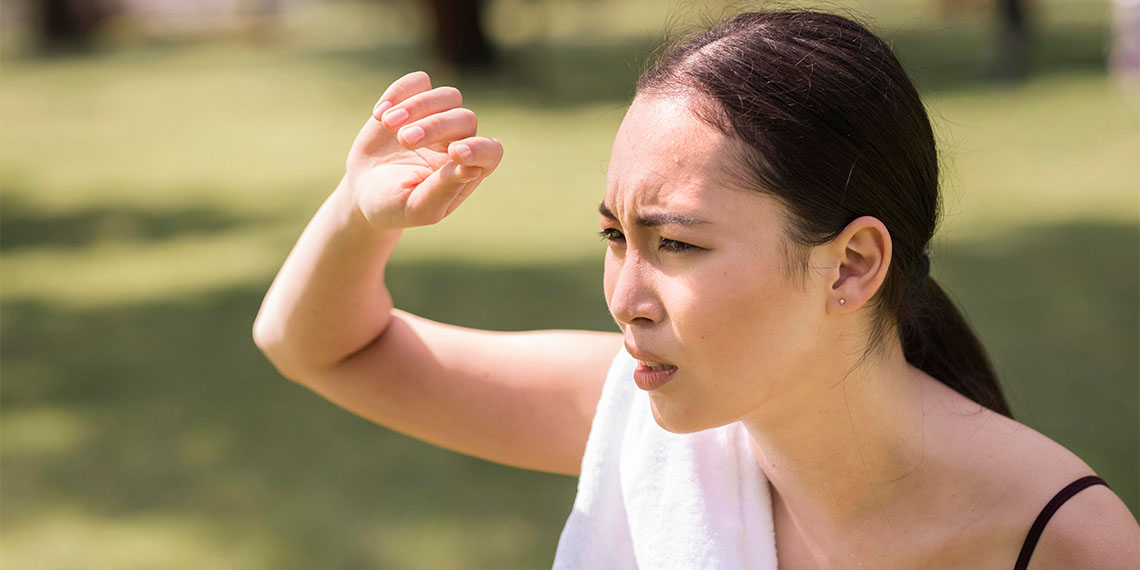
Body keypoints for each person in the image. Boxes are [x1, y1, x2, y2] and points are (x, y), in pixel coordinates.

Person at [253, 10, 1139, 569]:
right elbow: (319, 346)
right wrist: (359, 217)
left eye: (674, 242)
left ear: (853, 265)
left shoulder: (1063, 543)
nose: (626, 296)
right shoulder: (637, 425)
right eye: (615, 237)